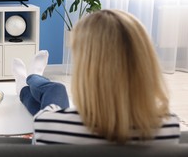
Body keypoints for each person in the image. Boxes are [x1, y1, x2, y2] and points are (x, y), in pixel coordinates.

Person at [12, 9, 180, 145]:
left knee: (57, 90)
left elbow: (45, 125)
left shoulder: (47, 125)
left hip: (55, 121)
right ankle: (31, 78)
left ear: (87, 71)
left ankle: (28, 81)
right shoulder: (170, 127)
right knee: (55, 90)